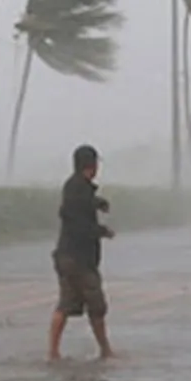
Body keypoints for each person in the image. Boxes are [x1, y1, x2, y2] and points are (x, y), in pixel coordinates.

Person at [49, 144, 116, 361]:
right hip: (80, 260)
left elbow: (80, 206)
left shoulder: (75, 187)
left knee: (65, 304)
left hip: (66, 257)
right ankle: (105, 351)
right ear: (92, 165)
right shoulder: (79, 189)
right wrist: (102, 231)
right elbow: (80, 225)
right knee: (96, 306)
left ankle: (53, 353)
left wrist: (99, 203)